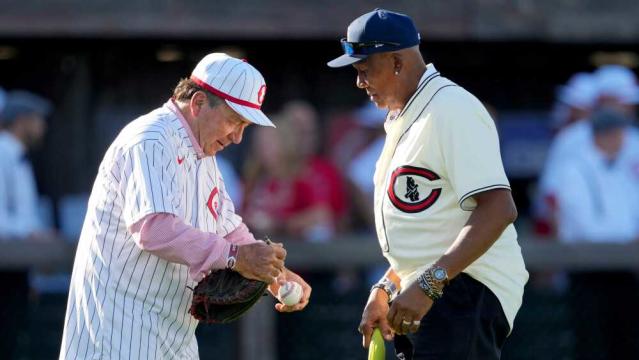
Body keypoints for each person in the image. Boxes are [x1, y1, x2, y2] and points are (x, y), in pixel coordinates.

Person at [60, 53, 311, 359]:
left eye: (244, 125)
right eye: (234, 120)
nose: (237, 136)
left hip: (172, 337)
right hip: (117, 335)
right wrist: (234, 257)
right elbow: (153, 229)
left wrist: (275, 274)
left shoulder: (203, 153)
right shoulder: (151, 138)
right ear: (198, 103)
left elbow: (229, 227)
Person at [328, 9, 528, 359]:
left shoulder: (450, 108)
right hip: (434, 289)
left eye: (364, 70)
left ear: (396, 61)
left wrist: (430, 283)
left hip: (465, 288)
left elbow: (499, 209)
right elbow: (430, 228)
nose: (359, 82)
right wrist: (386, 287)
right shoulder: (407, 116)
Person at [553, 108, 639, 359]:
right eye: (619, 133)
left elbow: (629, 210)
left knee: (626, 336)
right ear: (605, 135)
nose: (623, 139)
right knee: (591, 338)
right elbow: (582, 224)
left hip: (623, 266)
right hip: (587, 266)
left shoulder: (622, 167)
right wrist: (628, 238)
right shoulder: (574, 168)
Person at [0, 90, 53, 359]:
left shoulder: (17, 155)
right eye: (38, 119)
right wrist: (31, 235)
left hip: (17, 267)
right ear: (21, 120)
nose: (42, 126)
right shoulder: (2, 153)